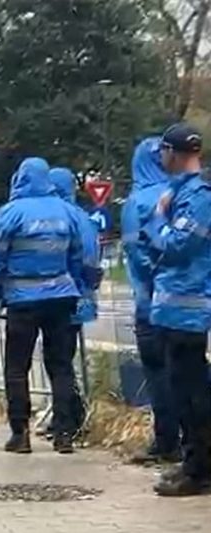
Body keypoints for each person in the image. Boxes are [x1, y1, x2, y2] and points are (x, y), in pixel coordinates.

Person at [0, 157, 92, 454]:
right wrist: (74, 285)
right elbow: (77, 255)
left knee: (17, 367)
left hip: (22, 298)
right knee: (60, 366)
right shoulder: (66, 211)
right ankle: (64, 434)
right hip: (61, 296)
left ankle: (20, 434)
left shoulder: (11, 212)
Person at [144, 124, 211, 497]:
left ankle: (199, 470)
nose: (160, 158)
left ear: (174, 152)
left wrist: (158, 219)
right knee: (182, 391)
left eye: (163, 151)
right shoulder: (179, 192)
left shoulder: (198, 197)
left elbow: (178, 246)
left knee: (192, 394)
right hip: (173, 311)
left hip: (188, 311)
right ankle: (192, 461)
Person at [122, 137, 181, 465]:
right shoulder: (183, 194)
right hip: (187, 301)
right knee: (188, 371)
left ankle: (167, 442)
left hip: (151, 302)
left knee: (159, 373)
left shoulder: (137, 202)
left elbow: (137, 253)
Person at [49, 168, 102, 439]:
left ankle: (68, 419)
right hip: (81, 294)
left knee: (58, 359)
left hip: (61, 295)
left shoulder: (57, 216)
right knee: (64, 357)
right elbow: (93, 258)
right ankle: (69, 414)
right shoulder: (83, 218)